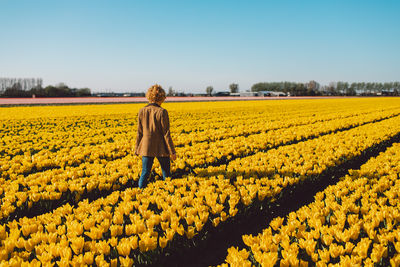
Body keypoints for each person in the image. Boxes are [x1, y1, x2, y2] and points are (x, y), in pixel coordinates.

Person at [135, 84, 177, 188]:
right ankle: (169, 192)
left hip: (146, 147)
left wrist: (136, 148)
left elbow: (139, 132)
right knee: (166, 173)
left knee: (145, 172)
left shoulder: (142, 111)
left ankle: (140, 193)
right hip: (161, 148)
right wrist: (172, 151)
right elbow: (166, 134)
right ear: (161, 97)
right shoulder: (162, 112)